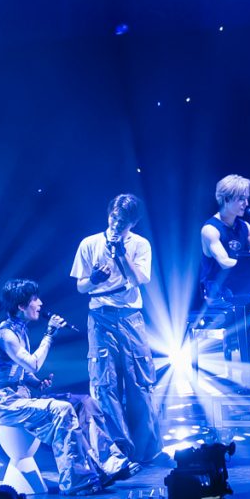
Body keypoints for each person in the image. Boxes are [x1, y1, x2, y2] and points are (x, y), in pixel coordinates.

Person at [0, 279, 104, 492]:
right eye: (35, 299)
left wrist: (37, 383)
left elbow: (20, 372)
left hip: (21, 397)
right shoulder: (6, 335)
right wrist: (49, 335)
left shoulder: (20, 330)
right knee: (62, 409)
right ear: (21, 306)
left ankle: (103, 465)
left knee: (83, 402)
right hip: (6, 403)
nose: (40, 303)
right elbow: (32, 364)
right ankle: (76, 481)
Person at [72, 193, 161, 473]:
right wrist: (94, 279)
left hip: (130, 317)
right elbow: (81, 287)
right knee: (104, 383)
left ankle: (146, 450)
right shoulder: (89, 243)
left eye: (123, 221)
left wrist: (121, 252)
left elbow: (140, 279)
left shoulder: (140, 245)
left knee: (139, 381)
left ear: (132, 223)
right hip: (100, 316)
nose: (116, 223)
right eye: (114, 217)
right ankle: (117, 451)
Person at [196, 174, 250, 366]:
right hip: (217, 292)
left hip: (243, 289)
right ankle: (247, 367)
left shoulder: (245, 227)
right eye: (241, 199)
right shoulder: (210, 229)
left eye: (247, 198)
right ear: (226, 199)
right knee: (249, 310)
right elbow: (225, 262)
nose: (246, 203)